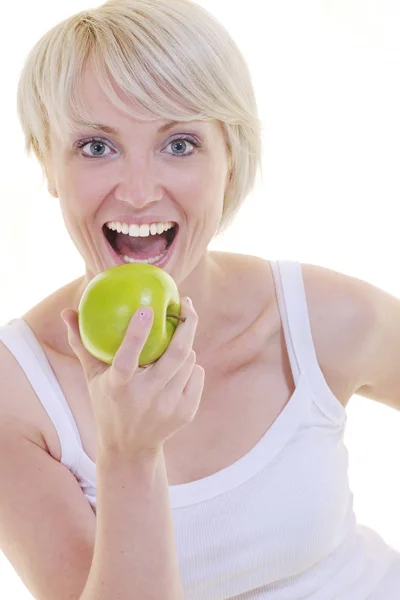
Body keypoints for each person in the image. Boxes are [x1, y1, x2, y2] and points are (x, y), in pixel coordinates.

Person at [0, 0, 399, 598]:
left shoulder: (320, 319)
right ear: (47, 162)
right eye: (95, 147)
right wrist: (128, 454)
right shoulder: (17, 394)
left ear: (229, 159)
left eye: (180, 143)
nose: (137, 194)